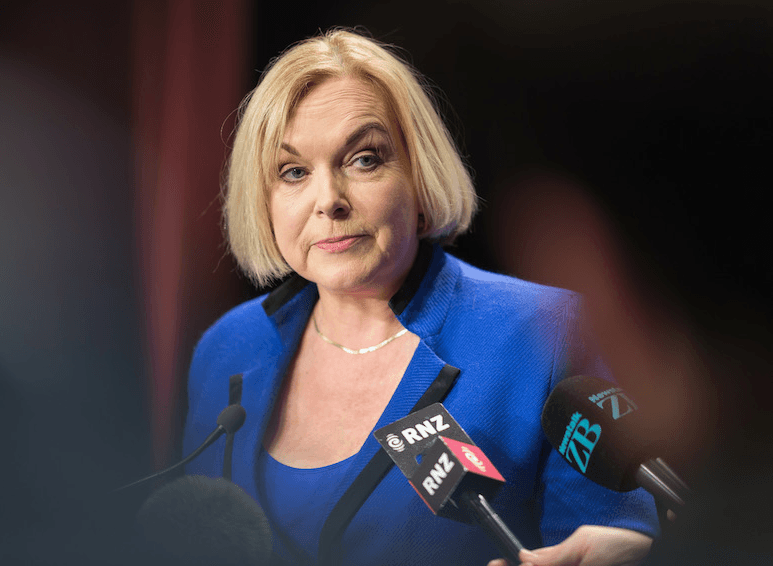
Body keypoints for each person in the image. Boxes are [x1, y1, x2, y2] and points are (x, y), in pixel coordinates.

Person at [183, 28, 658, 566]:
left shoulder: (549, 333)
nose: (329, 201)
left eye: (363, 159)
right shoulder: (227, 349)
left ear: (419, 174)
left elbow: (611, 541)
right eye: (293, 172)